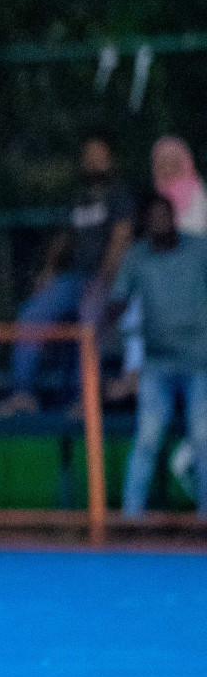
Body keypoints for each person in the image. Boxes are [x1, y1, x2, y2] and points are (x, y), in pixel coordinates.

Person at [0, 134, 134, 416]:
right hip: (75, 277)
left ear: (111, 159)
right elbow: (62, 239)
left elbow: (121, 240)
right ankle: (22, 393)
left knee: (88, 317)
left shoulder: (120, 195)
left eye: (99, 154)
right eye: (89, 154)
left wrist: (103, 281)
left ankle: (83, 399)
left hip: (107, 280)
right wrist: (47, 272)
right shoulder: (78, 197)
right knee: (32, 313)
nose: (93, 160)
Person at [107, 194, 207, 518]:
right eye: (153, 218)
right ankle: (131, 518)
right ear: (146, 224)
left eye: (165, 215)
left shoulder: (199, 250)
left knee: (203, 438)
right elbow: (117, 303)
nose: (160, 222)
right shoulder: (137, 257)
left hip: (199, 363)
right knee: (147, 438)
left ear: (174, 218)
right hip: (156, 364)